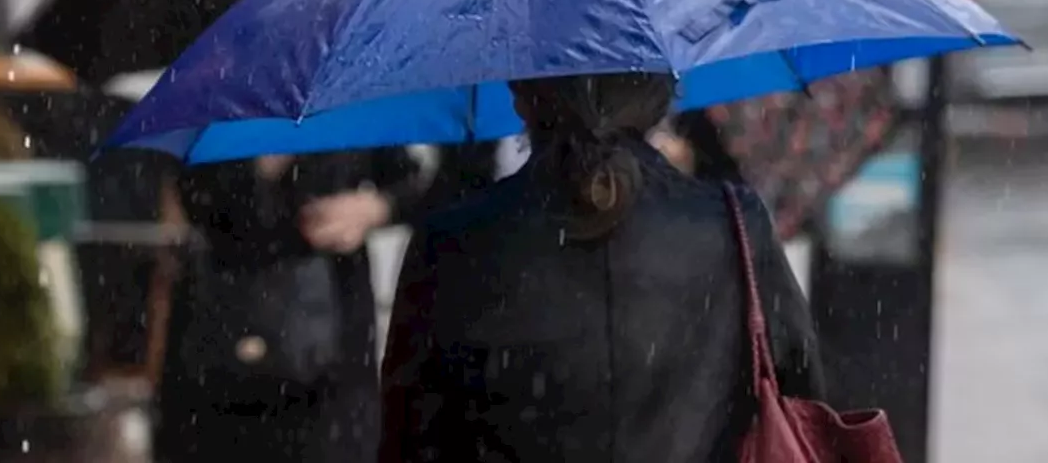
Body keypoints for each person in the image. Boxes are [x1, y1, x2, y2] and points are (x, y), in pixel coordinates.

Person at [380, 72, 825, 463]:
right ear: (662, 91)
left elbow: (412, 438)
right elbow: (802, 395)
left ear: (519, 94)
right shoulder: (733, 225)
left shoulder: (453, 241)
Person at [155, 149, 424, 463]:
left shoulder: (349, 112)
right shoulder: (212, 118)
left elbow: (418, 184)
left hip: (331, 356)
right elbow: (194, 201)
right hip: (225, 347)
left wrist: (373, 207)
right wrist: (263, 166)